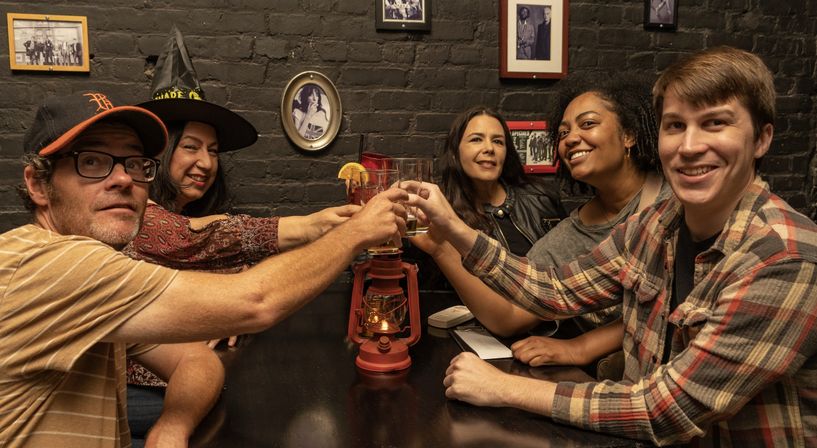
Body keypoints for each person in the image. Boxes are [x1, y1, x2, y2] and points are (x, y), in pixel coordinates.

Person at [408, 46, 817, 446]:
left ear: (762, 140)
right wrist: (451, 228)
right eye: (675, 126)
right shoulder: (657, 224)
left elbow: (666, 410)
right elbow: (553, 290)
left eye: (714, 123)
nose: (690, 146)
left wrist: (506, 388)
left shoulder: (785, 256)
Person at [2, 90, 407, 448]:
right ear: (38, 184)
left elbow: (197, 362)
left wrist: (173, 426)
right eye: (92, 161)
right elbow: (256, 300)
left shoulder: (94, 279)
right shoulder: (50, 265)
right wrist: (355, 232)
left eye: (135, 163)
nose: (123, 179)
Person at [121, 26, 359, 446]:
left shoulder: (181, 214)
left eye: (212, 151)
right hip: (133, 388)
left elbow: (222, 263)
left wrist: (221, 302)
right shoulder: (139, 213)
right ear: (159, 151)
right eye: (191, 147)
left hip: (182, 374)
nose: (205, 162)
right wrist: (315, 225)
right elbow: (190, 239)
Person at [410, 105, 563, 303]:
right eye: (476, 139)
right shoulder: (439, 213)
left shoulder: (542, 198)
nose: (489, 148)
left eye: (498, 141)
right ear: (455, 152)